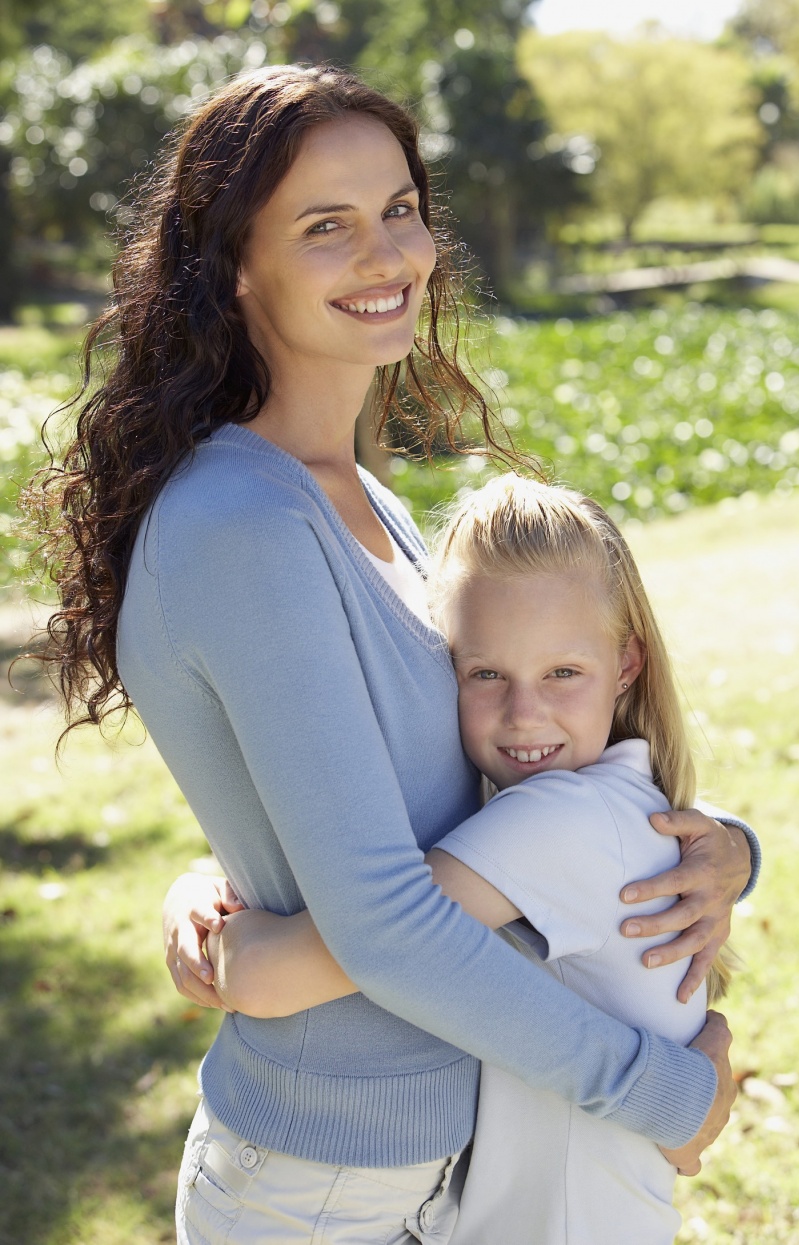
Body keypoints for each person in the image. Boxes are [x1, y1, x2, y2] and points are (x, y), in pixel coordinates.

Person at [27, 62, 759, 1244]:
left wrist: (720, 850)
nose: (389, 256)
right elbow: (380, 919)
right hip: (318, 1180)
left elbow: (470, 786)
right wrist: (662, 1093)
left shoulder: (363, 499)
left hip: (445, 1160)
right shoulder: (245, 527)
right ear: (233, 267)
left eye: (400, 210)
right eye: (327, 227)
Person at [201, 474, 737, 1243]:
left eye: (563, 672)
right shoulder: (604, 795)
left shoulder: (559, 819)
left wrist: (222, 930)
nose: (525, 716)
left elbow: (272, 975)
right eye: (485, 672)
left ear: (626, 664)